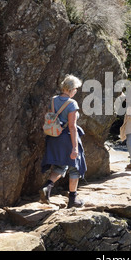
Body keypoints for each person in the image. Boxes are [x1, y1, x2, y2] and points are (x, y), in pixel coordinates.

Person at [40, 74, 87, 208]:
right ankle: (73, 200)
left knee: (60, 166)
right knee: (75, 168)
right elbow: (72, 127)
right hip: (67, 137)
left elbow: (52, 118)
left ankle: (47, 187)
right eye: (76, 89)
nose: (76, 91)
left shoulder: (53, 100)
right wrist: (75, 148)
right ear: (71, 89)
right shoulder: (72, 103)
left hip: (54, 137)